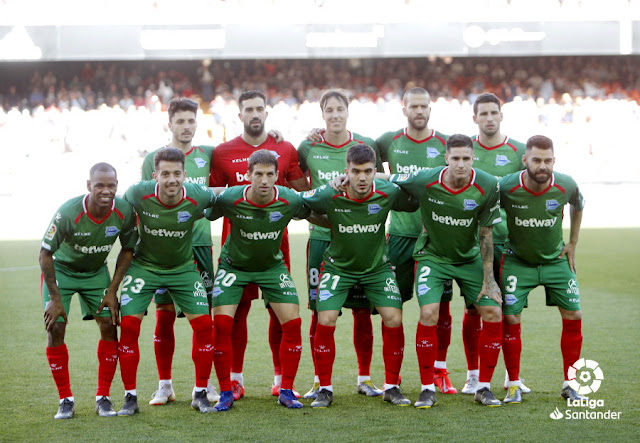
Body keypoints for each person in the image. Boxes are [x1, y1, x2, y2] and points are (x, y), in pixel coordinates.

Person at [387, 134, 504, 408]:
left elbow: (486, 234)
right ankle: (427, 387)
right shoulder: (425, 179)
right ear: (446, 159)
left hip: (469, 258)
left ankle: (483, 387)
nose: (461, 164)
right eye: (455, 158)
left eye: (466, 158)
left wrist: (489, 279)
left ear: (473, 158)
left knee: (493, 311)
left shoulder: (487, 184)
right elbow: (387, 179)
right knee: (428, 312)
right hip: (433, 257)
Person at [205, 149, 325, 411]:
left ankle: (286, 390)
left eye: (270, 174)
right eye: (258, 174)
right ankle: (226, 390)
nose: (264, 180)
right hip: (234, 267)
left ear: (276, 177)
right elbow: (205, 209)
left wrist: (344, 218)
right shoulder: (231, 197)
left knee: (292, 324)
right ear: (247, 176)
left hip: (272, 267)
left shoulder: (289, 199)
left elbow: (315, 212)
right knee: (222, 325)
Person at [209, 90, 309, 400]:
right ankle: (235, 380)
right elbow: (212, 195)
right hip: (235, 248)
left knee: (279, 313)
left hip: (275, 248)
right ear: (239, 115)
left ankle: (281, 379)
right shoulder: (222, 151)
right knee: (235, 313)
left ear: (267, 113)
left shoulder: (284, 147)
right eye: (248, 109)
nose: (254, 113)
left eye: (259, 109)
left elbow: (303, 191)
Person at [302, 143, 417, 408]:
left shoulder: (387, 191)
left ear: (375, 171)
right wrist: (327, 213)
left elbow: (414, 200)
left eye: (367, 171)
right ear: (346, 171)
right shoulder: (331, 193)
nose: (362, 178)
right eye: (356, 171)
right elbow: (301, 204)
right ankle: (325, 388)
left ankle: (391, 386)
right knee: (326, 318)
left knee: (393, 317)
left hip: (377, 268)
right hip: (337, 268)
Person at [298, 89, 385, 400]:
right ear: (322, 114)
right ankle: (320, 381)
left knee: (363, 313)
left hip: (361, 241)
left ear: (348, 111)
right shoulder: (308, 147)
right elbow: (301, 196)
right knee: (320, 313)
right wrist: (330, 221)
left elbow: (380, 187)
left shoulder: (365, 145)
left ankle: (364, 378)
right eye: (329, 110)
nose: (335, 114)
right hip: (322, 241)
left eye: (340, 109)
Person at [117, 147, 217, 415]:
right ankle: (130, 397)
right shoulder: (138, 193)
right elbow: (118, 213)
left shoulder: (196, 194)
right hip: (144, 267)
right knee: (128, 325)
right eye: (165, 174)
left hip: (183, 268)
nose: (171, 179)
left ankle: (200, 393)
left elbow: (223, 196)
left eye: (176, 173)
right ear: (155, 175)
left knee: (204, 326)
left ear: (185, 174)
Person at [376, 87, 457, 395]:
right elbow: (360, 155)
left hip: (436, 239)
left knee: (441, 309)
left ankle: (438, 370)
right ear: (404, 109)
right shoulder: (388, 142)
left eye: (424, 106)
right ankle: (392, 379)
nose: (419, 111)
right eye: (414, 106)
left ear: (430, 110)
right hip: (398, 236)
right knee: (391, 308)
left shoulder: (444, 144)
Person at [40, 163, 137, 419]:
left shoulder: (124, 211)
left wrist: (112, 290)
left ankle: (103, 397)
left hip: (96, 272)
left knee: (108, 324)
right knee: (56, 327)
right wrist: (54, 298)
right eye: (100, 185)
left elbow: (128, 249)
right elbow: (45, 253)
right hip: (62, 271)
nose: (106, 191)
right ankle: (65, 399)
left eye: (111, 185)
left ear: (117, 185)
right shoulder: (69, 212)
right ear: (89, 186)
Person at [140, 97, 219, 405]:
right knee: (164, 315)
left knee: (204, 318)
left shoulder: (210, 155)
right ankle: (165, 384)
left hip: (199, 245)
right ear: (169, 124)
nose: (186, 127)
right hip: (164, 247)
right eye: (180, 121)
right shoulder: (154, 159)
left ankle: (205, 382)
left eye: (191, 121)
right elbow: (147, 200)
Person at [498, 135, 585, 404]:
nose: (542, 166)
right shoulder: (506, 186)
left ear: (554, 161)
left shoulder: (566, 184)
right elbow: (485, 212)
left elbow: (578, 204)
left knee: (574, 314)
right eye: (536, 160)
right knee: (510, 319)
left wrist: (572, 242)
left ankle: (570, 383)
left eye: (548, 160)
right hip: (517, 261)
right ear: (525, 161)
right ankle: (513, 383)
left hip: (556, 261)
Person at [461, 92, 531, 395]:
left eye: (494, 113)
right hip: (475, 244)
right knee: (476, 309)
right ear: (474, 118)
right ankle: (473, 375)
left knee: (510, 310)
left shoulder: (518, 151)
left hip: (509, 242)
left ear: (501, 115)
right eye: (483, 114)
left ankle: (512, 376)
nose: (489, 118)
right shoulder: (464, 151)